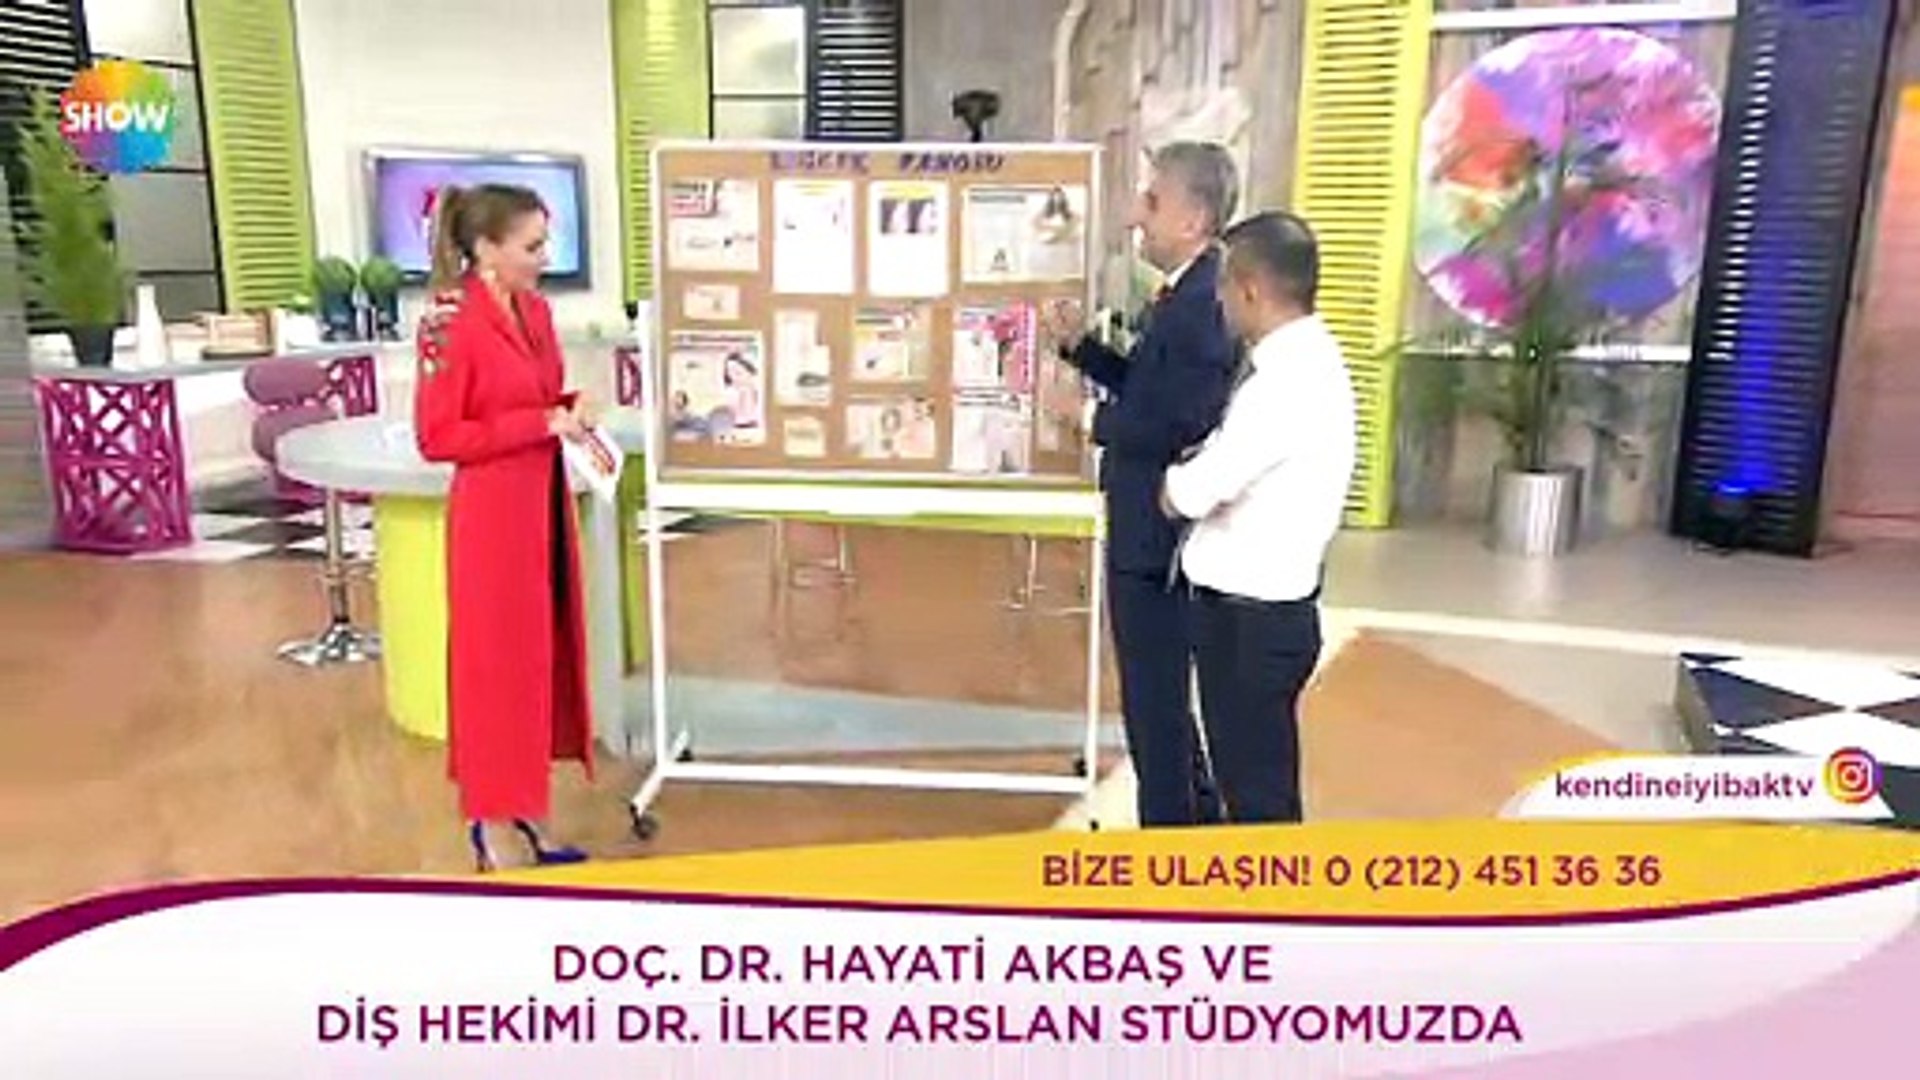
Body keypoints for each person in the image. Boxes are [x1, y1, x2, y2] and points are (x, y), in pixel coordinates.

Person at [1041, 142, 1240, 827]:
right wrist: (1083, 351)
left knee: (1155, 704)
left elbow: (1182, 419)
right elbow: (1154, 389)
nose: (1135, 215)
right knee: (1159, 703)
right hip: (1146, 530)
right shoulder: (1186, 293)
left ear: (1194, 219)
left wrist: (1087, 418)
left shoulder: (1204, 304)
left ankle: (1169, 844)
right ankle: (1196, 819)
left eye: (1151, 201)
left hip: (1156, 538)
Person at [413, 183, 597, 871]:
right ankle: (490, 822)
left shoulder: (537, 311)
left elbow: (536, 397)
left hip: (542, 507)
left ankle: (528, 806)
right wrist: (540, 423)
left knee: (537, 665)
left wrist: (571, 407)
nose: (545, 257)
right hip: (492, 522)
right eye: (532, 246)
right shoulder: (448, 323)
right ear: (487, 248)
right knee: (494, 671)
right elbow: (439, 437)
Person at [1160, 211, 1355, 824]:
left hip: (1249, 627)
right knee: (1256, 787)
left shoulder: (1284, 383)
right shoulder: (1309, 359)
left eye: (1223, 284)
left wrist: (1175, 484)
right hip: (1264, 617)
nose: (1218, 300)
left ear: (1249, 289)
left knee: (1258, 801)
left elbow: (1193, 492)